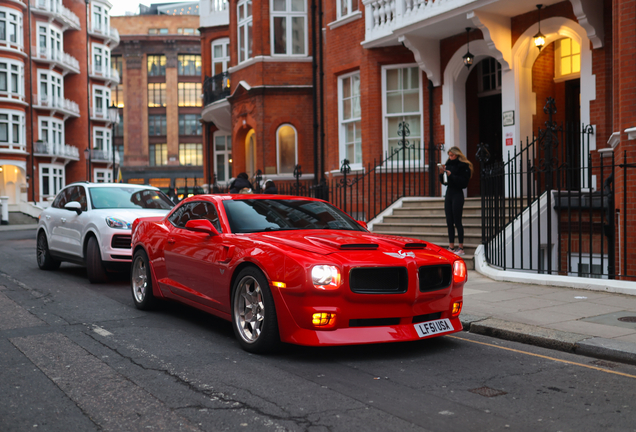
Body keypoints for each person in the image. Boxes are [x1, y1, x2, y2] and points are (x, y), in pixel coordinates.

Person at [438, 146, 473, 256]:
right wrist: (441, 174)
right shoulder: (449, 163)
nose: (450, 157)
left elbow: (463, 183)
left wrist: (451, 175)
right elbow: (445, 182)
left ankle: (461, 247)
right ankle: (451, 246)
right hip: (449, 194)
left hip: (458, 194)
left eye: (452, 155)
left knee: (457, 221)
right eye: (449, 155)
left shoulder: (463, 166)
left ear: (457, 155)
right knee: (449, 221)